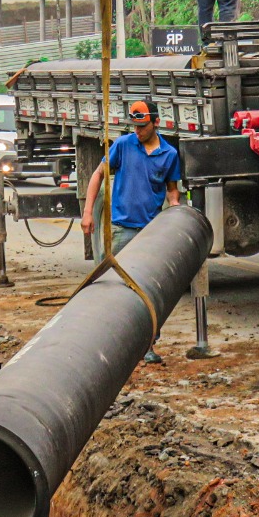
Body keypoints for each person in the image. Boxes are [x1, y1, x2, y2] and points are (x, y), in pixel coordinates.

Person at [80, 100, 182, 363]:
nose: (137, 131)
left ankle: (147, 345)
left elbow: (172, 189)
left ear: (156, 123)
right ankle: (108, 345)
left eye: (143, 126)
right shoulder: (124, 145)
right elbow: (98, 175)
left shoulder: (168, 154)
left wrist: (175, 209)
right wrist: (88, 212)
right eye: (135, 126)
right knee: (113, 289)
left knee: (148, 289)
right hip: (121, 229)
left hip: (150, 232)